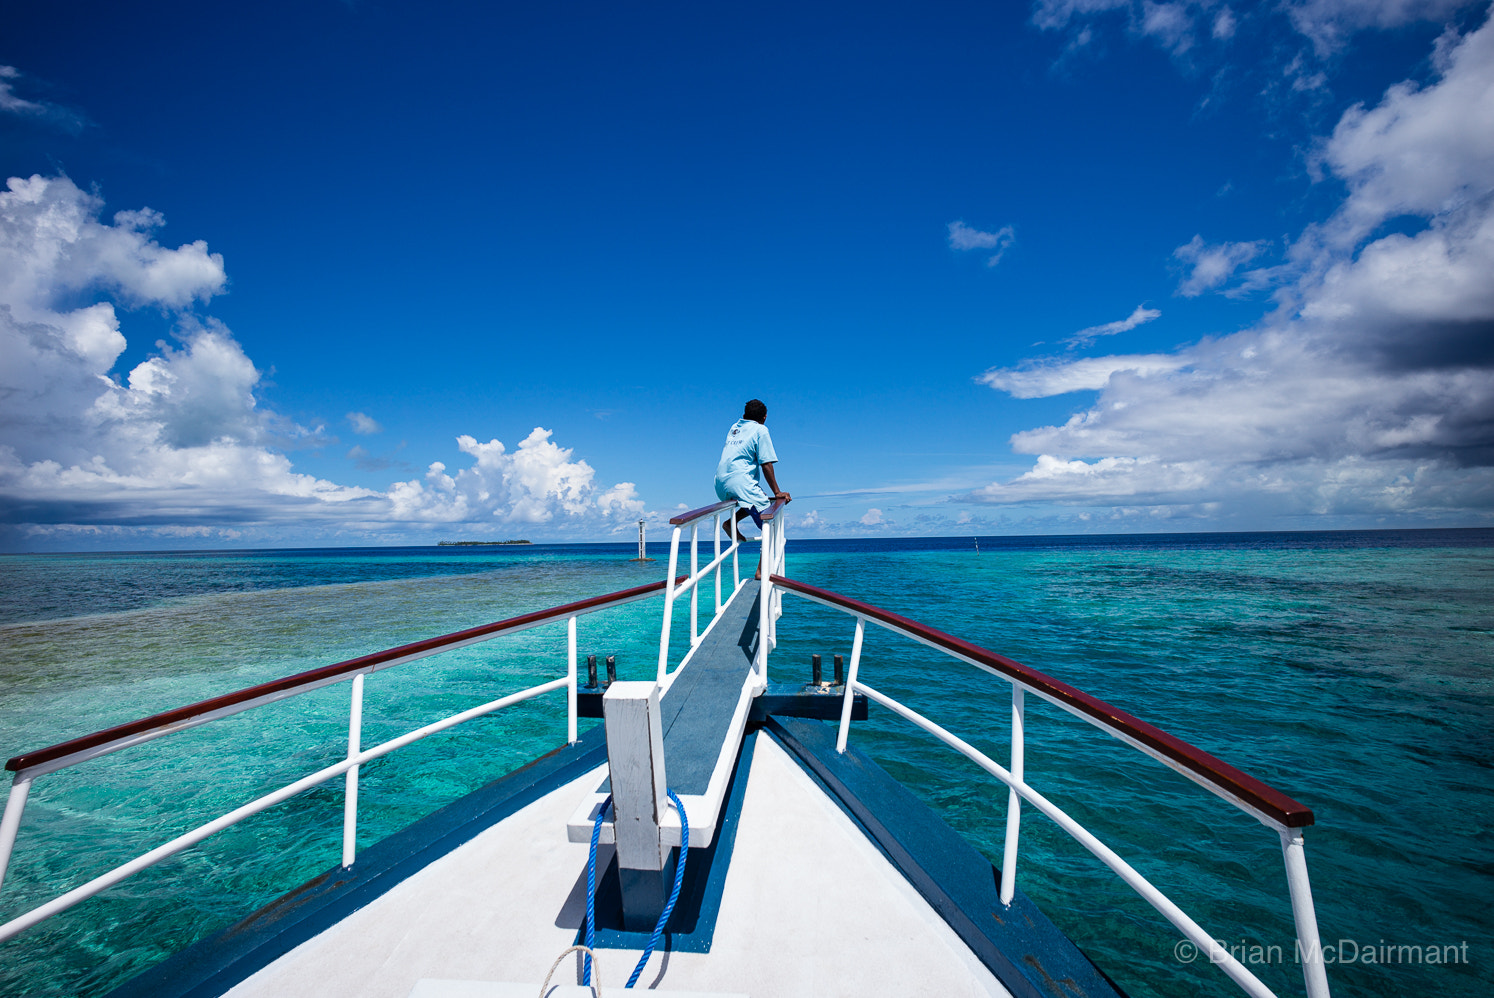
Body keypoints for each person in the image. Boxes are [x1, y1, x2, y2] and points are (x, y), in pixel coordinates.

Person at [714, 400, 790, 567]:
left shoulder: (735, 427)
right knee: (771, 525)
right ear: (764, 417)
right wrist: (777, 492)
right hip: (740, 482)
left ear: (744, 416)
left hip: (720, 482)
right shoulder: (761, 429)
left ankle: (730, 523)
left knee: (755, 500)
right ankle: (761, 570)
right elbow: (766, 463)